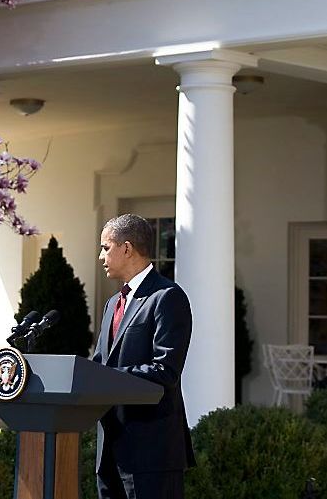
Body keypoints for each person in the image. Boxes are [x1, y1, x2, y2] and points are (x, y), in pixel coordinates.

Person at [92, 214, 195, 499]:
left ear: (127, 248)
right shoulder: (113, 303)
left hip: (151, 454)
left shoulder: (167, 296)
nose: (101, 255)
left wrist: (110, 378)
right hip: (109, 452)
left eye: (106, 247)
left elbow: (166, 370)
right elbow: (99, 365)